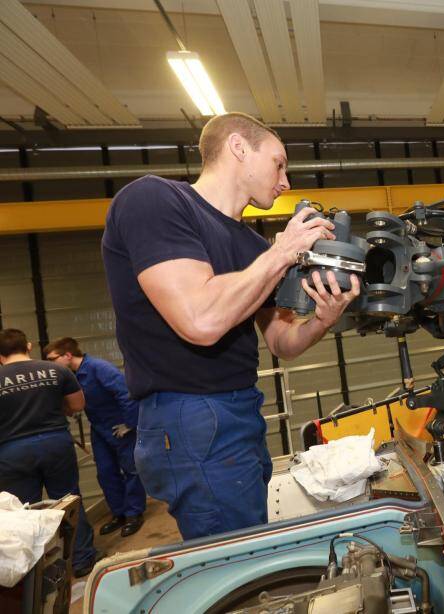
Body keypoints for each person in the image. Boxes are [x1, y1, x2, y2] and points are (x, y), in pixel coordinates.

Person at [102, 112, 360, 540]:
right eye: (279, 164)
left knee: (247, 539)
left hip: (241, 410)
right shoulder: (155, 200)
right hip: (190, 412)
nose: (285, 183)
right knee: (235, 562)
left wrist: (322, 319)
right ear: (239, 148)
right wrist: (283, 254)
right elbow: (200, 321)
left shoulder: (252, 246)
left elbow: (281, 341)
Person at [0, 328, 99, 577]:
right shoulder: (57, 370)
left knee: (24, 512)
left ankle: (38, 574)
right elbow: (77, 404)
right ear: (29, 346)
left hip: (12, 450)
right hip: (55, 443)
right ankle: (82, 561)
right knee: (68, 500)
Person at [45, 337, 146, 537]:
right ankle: (119, 513)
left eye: (52, 358)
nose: (49, 363)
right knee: (106, 472)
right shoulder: (72, 375)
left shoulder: (99, 368)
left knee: (130, 470)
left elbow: (125, 394)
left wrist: (130, 423)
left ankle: (135, 513)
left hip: (119, 425)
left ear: (67, 355)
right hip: (99, 428)